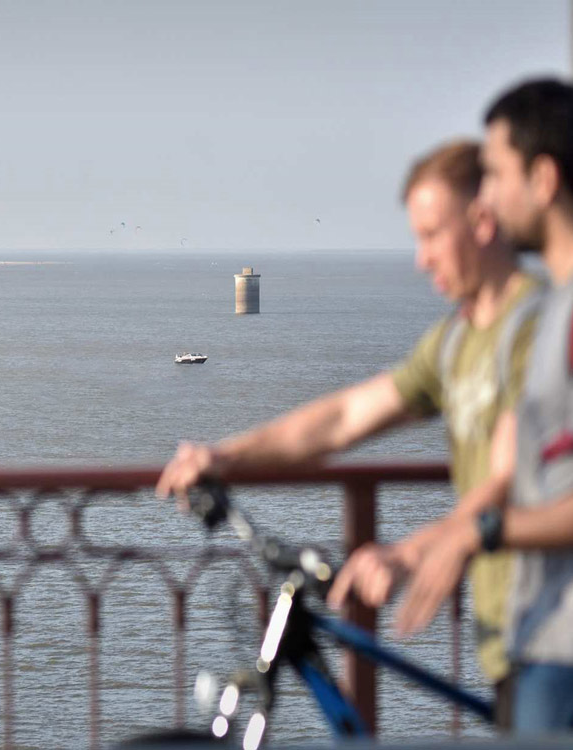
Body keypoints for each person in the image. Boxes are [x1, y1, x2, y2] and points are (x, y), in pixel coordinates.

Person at [156, 139, 544, 726]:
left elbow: (517, 478)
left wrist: (410, 552)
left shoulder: (537, 329)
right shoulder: (456, 341)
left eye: (434, 234)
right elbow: (344, 418)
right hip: (509, 636)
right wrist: (225, 456)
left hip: (554, 636)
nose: (421, 258)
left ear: (484, 222)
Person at [389, 78, 573, 734]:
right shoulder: (552, 315)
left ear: (544, 178)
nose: (486, 199)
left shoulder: (551, 319)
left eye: (494, 174)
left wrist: (473, 533)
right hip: (538, 638)